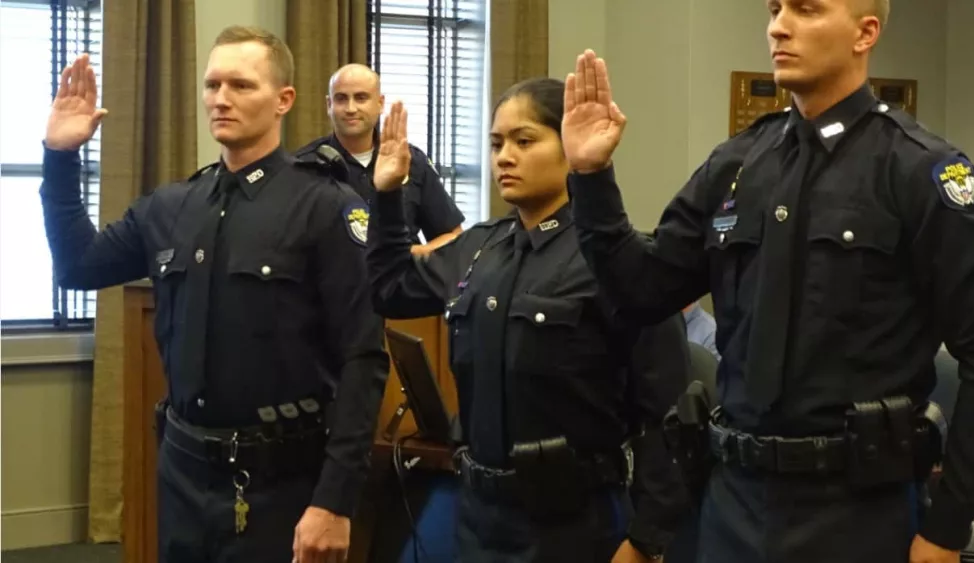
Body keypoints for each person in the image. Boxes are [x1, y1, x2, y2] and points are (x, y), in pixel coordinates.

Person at [560, 0, 974, 561]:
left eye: (806, 10)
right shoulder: (738, 163)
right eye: (774, 9)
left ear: (865, 33)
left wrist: (948, 527)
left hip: (858, 511)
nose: (778, 26)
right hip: (734, 502)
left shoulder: (920, 171)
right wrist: (592, 178)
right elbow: (642, 290)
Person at [40, 26, 389, 563]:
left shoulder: (324, 206)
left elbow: (363, 360)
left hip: (284, 483)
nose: (221, 98)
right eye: (212, 85)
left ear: (283, 101)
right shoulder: (172, 206)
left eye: (241, 86)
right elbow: (78, 266)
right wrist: (61, 159)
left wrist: (335, 502)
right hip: (183, 474)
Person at [366, 78, 692, 562]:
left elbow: (665, 410)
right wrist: (389, 196)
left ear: (570, 142)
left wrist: (647, 540)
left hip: (576, 519)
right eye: (496, 143)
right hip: (480, 514)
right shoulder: (479, 248)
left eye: (524, 140)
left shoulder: (612, 259)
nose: (503, 157)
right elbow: (390, 287)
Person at [295, 63, 465, 256]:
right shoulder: (305, 166)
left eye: (361, 98)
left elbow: (454, 236)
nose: (351, 108)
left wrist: (407, 254)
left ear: (380, 103)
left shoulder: (410, 161)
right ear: (329, 105)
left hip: (400, 281)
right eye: (341, 99)